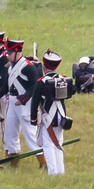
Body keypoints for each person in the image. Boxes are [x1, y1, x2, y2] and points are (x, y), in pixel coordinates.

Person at [29, 47, 70, 175]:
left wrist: (33, 119)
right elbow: (71, 91)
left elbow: (34, 102)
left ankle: (52, 172)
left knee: (48, 145)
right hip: (61, 116)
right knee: (58, 144)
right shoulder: (63, 80)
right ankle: (60, 171)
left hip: (47, 117)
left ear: (44, 66)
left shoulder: (41, 82)